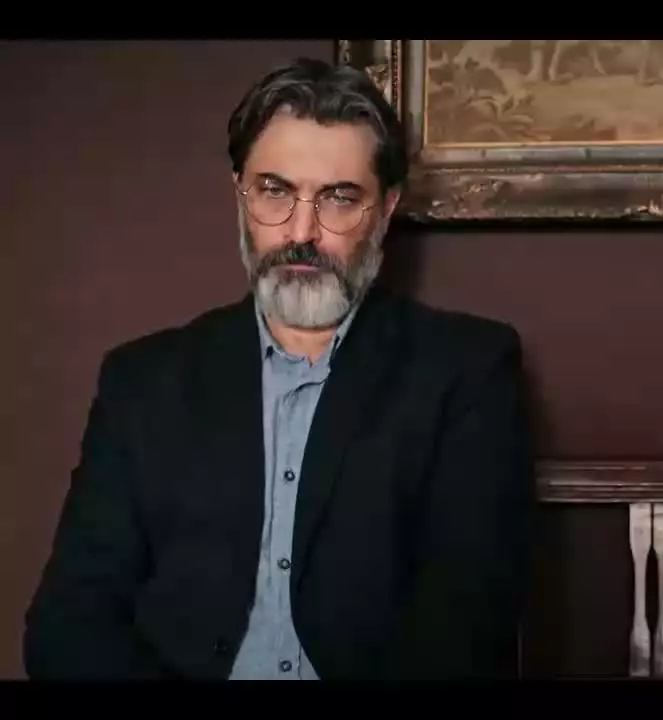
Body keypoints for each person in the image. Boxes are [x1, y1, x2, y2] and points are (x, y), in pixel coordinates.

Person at [23, 57, 536, 680]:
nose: (302, 232)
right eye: (275, 191)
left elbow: (467, 626)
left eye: (339, 198)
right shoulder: (141, 381)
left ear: (386, 209)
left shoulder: (467, 372)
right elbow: (68, 623)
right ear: (239, 193)